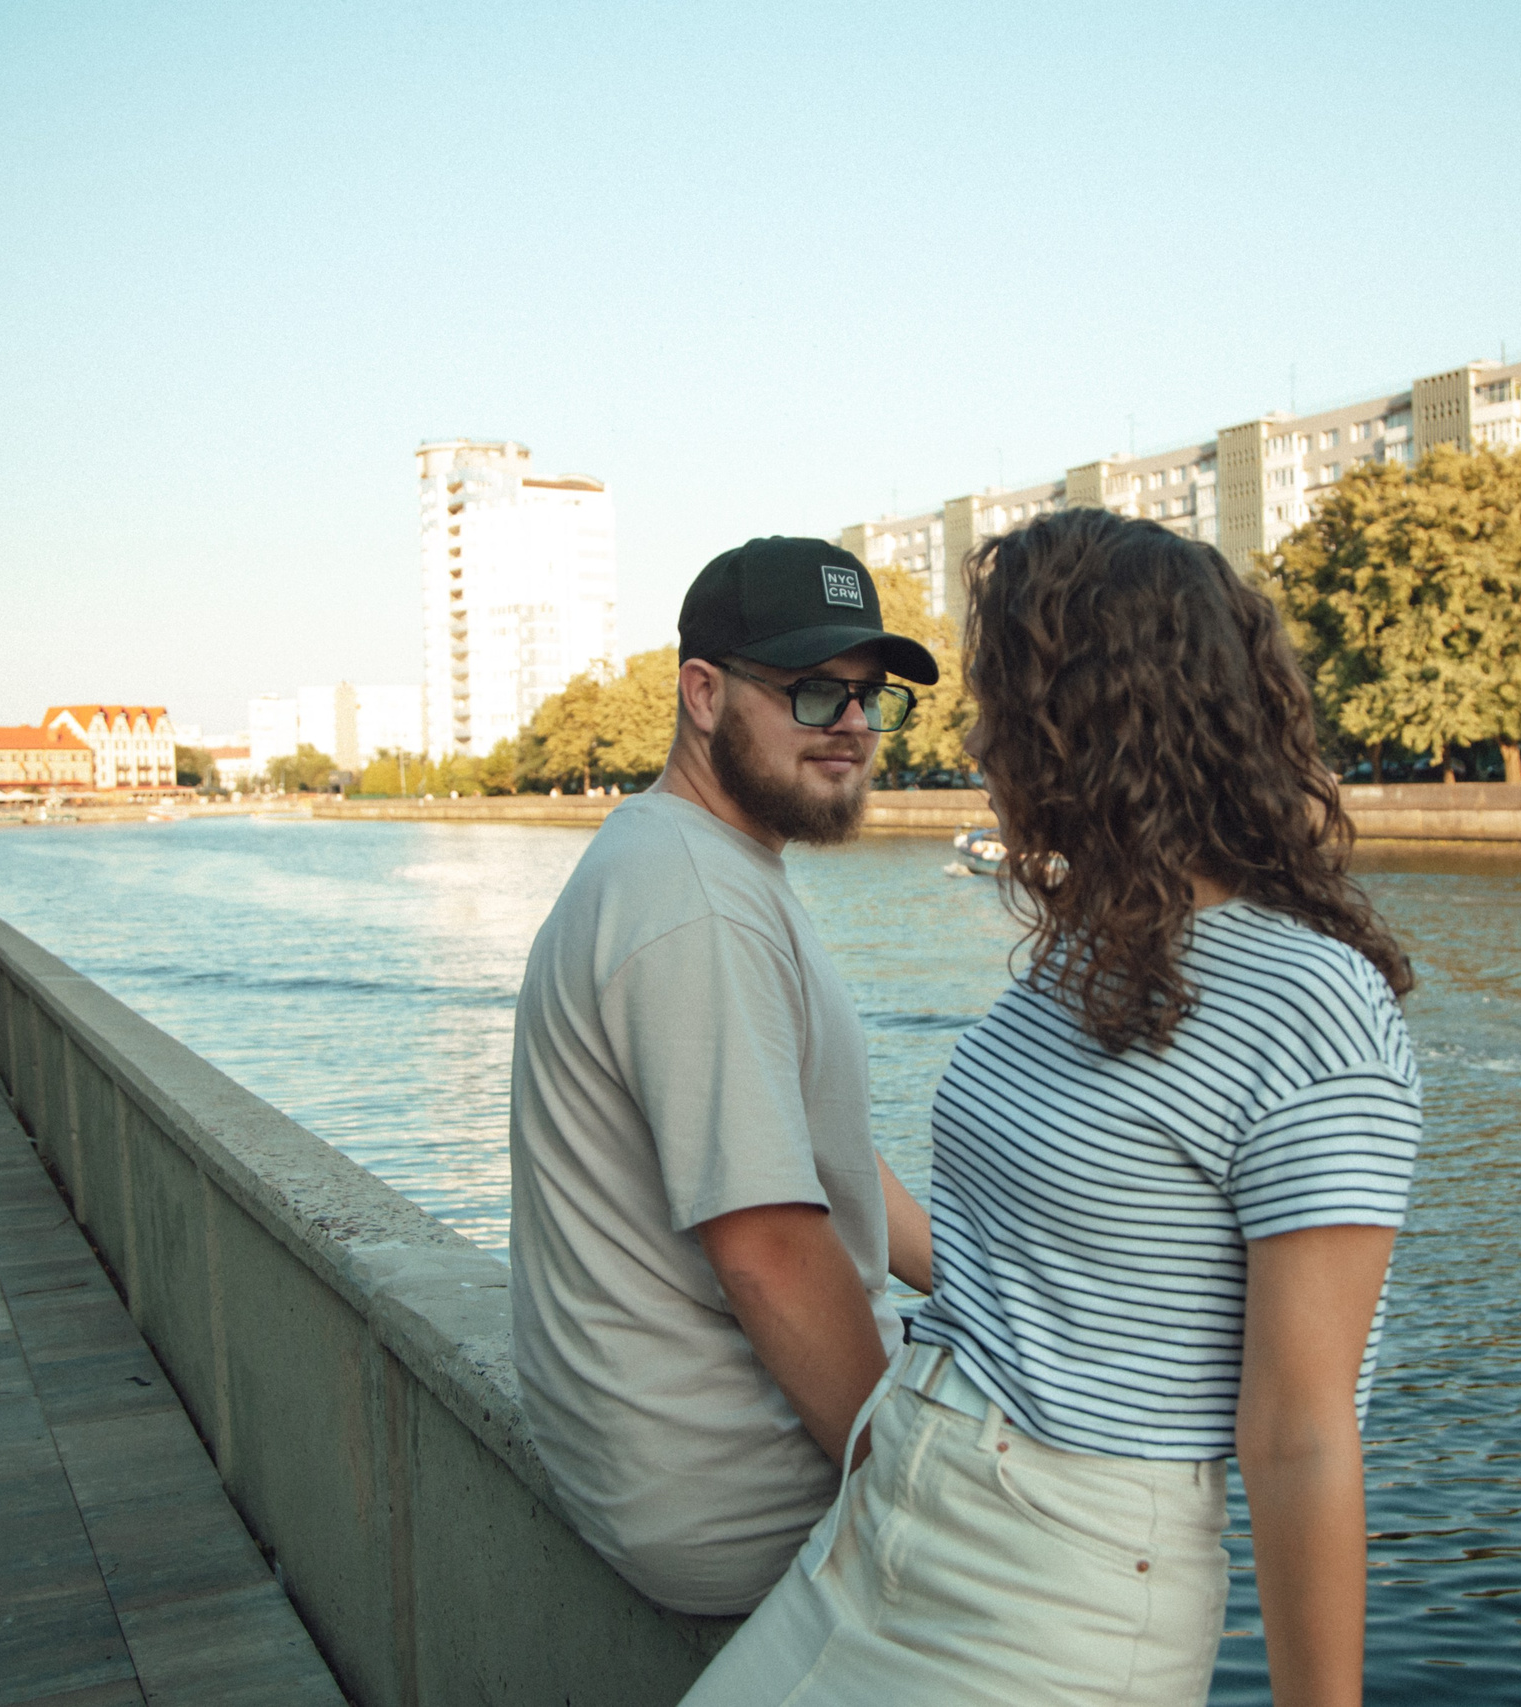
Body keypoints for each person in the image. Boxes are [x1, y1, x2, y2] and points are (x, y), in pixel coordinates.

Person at [685, 509, 1422, 1707]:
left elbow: (1297, 1430)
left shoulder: (1311, 1005)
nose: (974, 738)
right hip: (895, 1504)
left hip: (1059, 1583)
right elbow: (1008, 1256)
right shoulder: (1099, 954)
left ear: (1089, 721)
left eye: (1000, 703)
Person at [508, 536, 942, 1616]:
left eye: (866, 696)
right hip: (740, 1492)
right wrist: (908, 1489)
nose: (849, 726)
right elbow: (768, 1251)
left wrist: (984, 1279)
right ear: (702, 694)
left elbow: (816, 1156)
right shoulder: (692, 902)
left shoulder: (697, 861)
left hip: (675, 1459)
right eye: (809, 693)